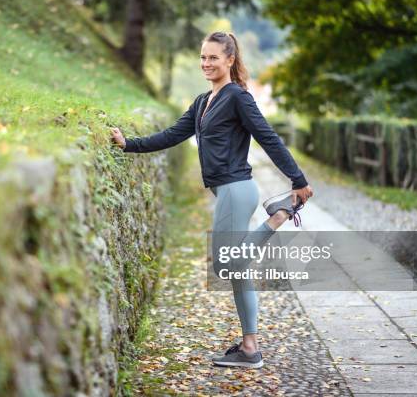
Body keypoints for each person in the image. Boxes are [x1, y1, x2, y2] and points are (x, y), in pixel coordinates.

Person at [110, 32, 314, 369]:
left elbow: (268, 137)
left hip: (236, 189)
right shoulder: (204, 101)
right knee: (238, 270)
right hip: (227, 191)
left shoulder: (238, 97)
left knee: (225, 264)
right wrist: (129, 143)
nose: (206, 64)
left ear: (230, 60)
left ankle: (277, 217)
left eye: (213, 58)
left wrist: (298, 178)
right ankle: (250, 349)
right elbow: (172, 135)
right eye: (203, 57)